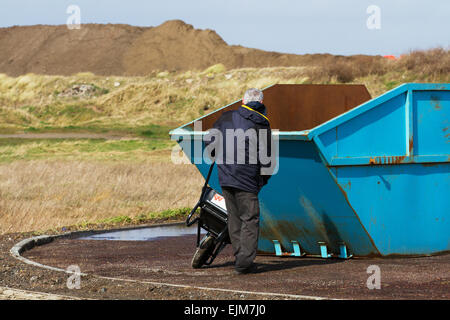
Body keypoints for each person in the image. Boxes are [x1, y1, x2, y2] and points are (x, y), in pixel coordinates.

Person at [206, 88, 274, 274]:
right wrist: (261, 181)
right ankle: (244, 262)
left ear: (243, 101)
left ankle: (240, 257)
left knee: (234, 218)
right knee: (250, 219)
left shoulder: (225, 117)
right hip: (248, 178)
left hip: (226, 175)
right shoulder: (262, 123)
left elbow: (209, 143)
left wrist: (217, 155)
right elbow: (267, 158)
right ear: (261, 103)